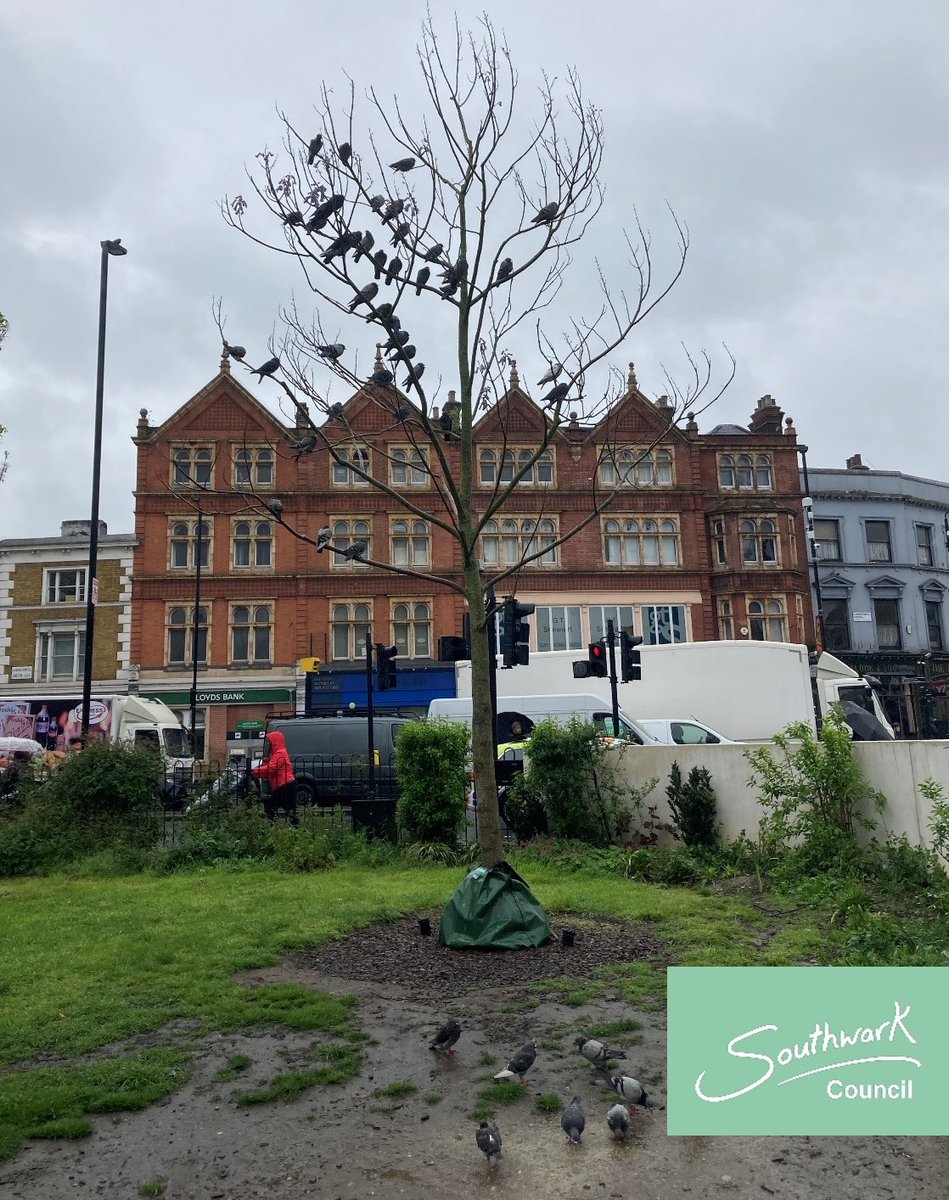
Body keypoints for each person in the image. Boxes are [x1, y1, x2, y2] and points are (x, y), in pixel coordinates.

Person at [251, 729, 297, 820]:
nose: (269, 744)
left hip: (284, 786)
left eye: (270, 741)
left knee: (271, 808)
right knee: (283, 810)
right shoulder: (278, 753)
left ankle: (268, 829)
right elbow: (270, 770)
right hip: (283, 785)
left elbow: (271, 768)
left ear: (275, 742)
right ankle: (297, 830)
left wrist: (255, 771)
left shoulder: (280, 753)